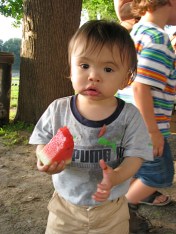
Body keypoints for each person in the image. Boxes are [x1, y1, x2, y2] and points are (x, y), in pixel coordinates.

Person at [29, 20, 153, 234]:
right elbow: (42, 141)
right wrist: (44, 158)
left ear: (126, 78)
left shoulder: (130, 116)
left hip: (111, 210)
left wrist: (116, 176)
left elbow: (136, 156)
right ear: (71, 67)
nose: (93, 76)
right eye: (84, 66)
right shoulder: (58, 109)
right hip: (64, 208)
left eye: (108, 68)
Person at [118, 0, 176, 232]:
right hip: (145, 126)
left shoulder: (138, 32)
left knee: (135, 169)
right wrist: (153, 131)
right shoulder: (159, 39)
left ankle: (120, 211)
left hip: (127, 122)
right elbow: (141, 87)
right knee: (159, 175)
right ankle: (120, 212)